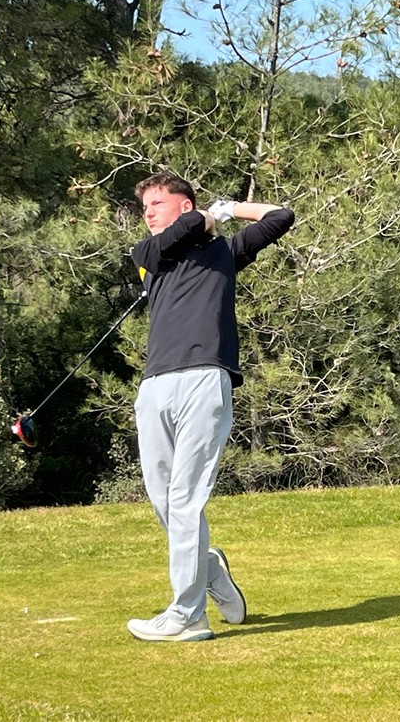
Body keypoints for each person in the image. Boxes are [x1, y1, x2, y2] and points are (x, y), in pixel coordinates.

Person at [127, 171, 296, 642]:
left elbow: (280, 217)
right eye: (145, 206)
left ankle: (188, 614)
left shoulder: (224, 253)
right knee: (164, 502)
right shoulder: (148, 254)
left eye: (157, 203)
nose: (148, 212)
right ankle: (210, 570)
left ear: (184, 204)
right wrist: (205, 217)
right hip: (155, 385)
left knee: (185, 500)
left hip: (204, 378)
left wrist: (229, 208)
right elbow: (178, 235)